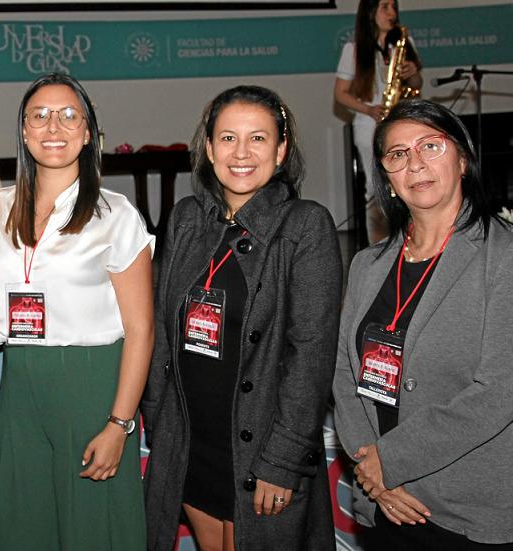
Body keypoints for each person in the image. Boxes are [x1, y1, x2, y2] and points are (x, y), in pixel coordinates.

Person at [142, 86, 341, 551]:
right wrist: (159, 420)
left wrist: (283, 462)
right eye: (228, 138)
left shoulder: (305, 226)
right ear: (208, 148)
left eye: (258, 139)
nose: (242, 153)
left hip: (260, 446)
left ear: (282, 149)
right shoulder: (188, 219)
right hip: (191, 441)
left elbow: (311, 358)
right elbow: (162, 328)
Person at [333, 99, 513, 550]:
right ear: (386, 175)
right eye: (398, 154)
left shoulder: (511, 255)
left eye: (431, 146)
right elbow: (346, 378)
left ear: (463, 159)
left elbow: (500, 390)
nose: (416, 163)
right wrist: (375, 474)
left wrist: (390, 460)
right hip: (389, 504)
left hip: (476, 507)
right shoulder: (368, 264)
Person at [0, 72, 154, 550]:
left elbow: (141, 330)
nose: (52, 126)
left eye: (67, 115)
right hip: (20, 388)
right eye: (39, 115)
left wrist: (119, 424)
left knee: (95, 532)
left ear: (87, 131)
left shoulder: (115, 214)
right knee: (23, 525)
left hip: (91, 386)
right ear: (23, 130)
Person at [335, 0, 422, 245]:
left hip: (402, 122)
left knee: (408, 181)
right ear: (370, 12)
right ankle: (378, 247)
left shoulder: (404, 44)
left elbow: (416, 86)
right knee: (376, 188)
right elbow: (340, 94)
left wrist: (413, 73)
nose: (392, 13)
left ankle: (411, 242)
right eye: (385, 7)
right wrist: (369, 109)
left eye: (394, 7)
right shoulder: (353, 50)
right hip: (368, 123)